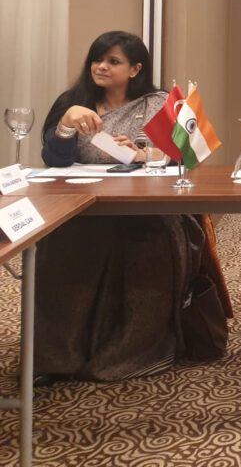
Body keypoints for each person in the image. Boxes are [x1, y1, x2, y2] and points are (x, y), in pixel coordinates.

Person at [37, 30, 203, 381]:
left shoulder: (157, 104)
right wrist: (66, 125)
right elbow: (54, 160)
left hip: (146, 207)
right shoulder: (74, 102)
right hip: (82, 205)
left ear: (135, 69)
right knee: (61, 242)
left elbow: (186, 159)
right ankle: (59, 356)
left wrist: (144, 154)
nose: (101, 66)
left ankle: (129, 352)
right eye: (97, 59)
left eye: (113, 61)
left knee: (147, 243)